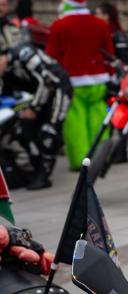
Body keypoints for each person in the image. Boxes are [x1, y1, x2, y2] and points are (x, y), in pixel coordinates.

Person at [46, 0, 114, 172]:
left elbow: (52, 56)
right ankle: (101, 157)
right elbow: (109, 53)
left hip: (71, 81)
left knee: (75, 119)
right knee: (99, 117)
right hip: (98, 79)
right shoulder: (100, 24)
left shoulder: (59, 26)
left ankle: (80, 159)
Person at [0, 43, 72, 190]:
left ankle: (43, 175)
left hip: (59, 89)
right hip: (38, 96)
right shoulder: (7, 72)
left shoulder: (24, 54)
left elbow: (47, 81)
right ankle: (32, 169)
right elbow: (8, 94)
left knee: (49, 132)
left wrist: (34, 108)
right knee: (21, 129)